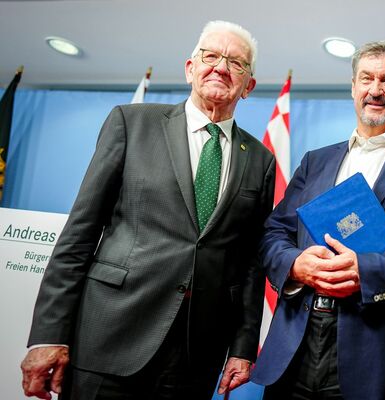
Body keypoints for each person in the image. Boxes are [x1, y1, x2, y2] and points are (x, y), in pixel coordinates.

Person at [20, 20, 275, 400]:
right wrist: (48, 334)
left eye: (237, 63)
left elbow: (251, 264)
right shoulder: (131, 123)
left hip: (195, 356)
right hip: (109, 336)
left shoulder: (260, 160)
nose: (221, 67)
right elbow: (80, 233)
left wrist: (242, 347)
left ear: (248, 86)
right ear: (190, 69)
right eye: (211, 56)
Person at [250, 40, 385, 400]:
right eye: (366, 78)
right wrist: (295, 264)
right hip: (297, 344)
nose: (376, 89)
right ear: (353, 87)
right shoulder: (314, 161)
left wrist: (366, 271)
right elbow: (275, 233)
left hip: (379, 353)